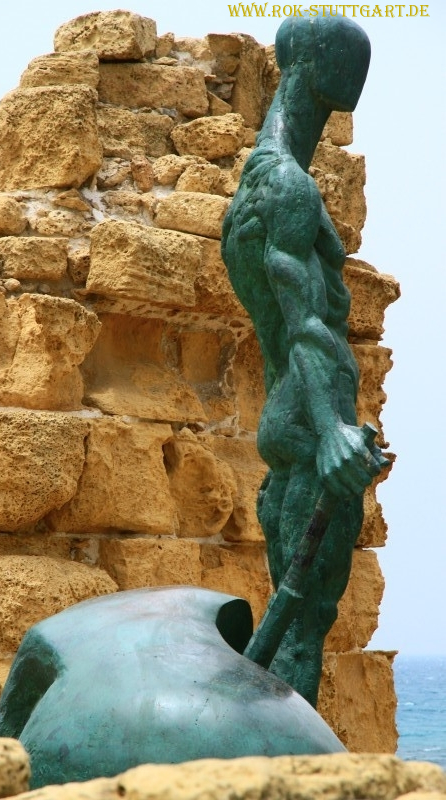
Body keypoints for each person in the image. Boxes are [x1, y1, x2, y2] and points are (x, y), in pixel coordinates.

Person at [221, 13, 384, 707]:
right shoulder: (289, 187)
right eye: (346, 54)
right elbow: (304, 325)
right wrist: (332, 430)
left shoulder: (257, 184)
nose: (359, 68)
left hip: (290, 417)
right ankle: (287, 760)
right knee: (304, 625)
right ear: (310, 64)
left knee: (293, 618)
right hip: (313, 428)